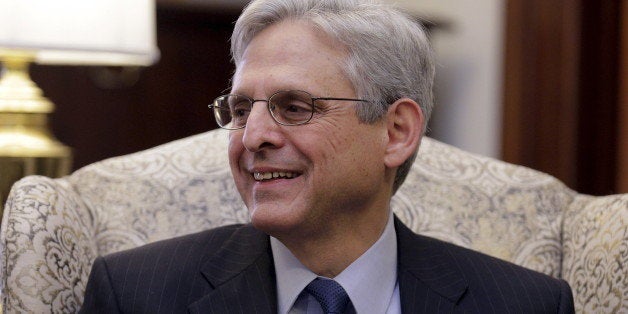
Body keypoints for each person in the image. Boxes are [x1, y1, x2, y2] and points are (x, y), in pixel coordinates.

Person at [80, 0, 575, 313]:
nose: (252, 136)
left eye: (293, 108)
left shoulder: (523, 303)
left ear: (396, 132)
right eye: (240, 109)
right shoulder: (135, 293)